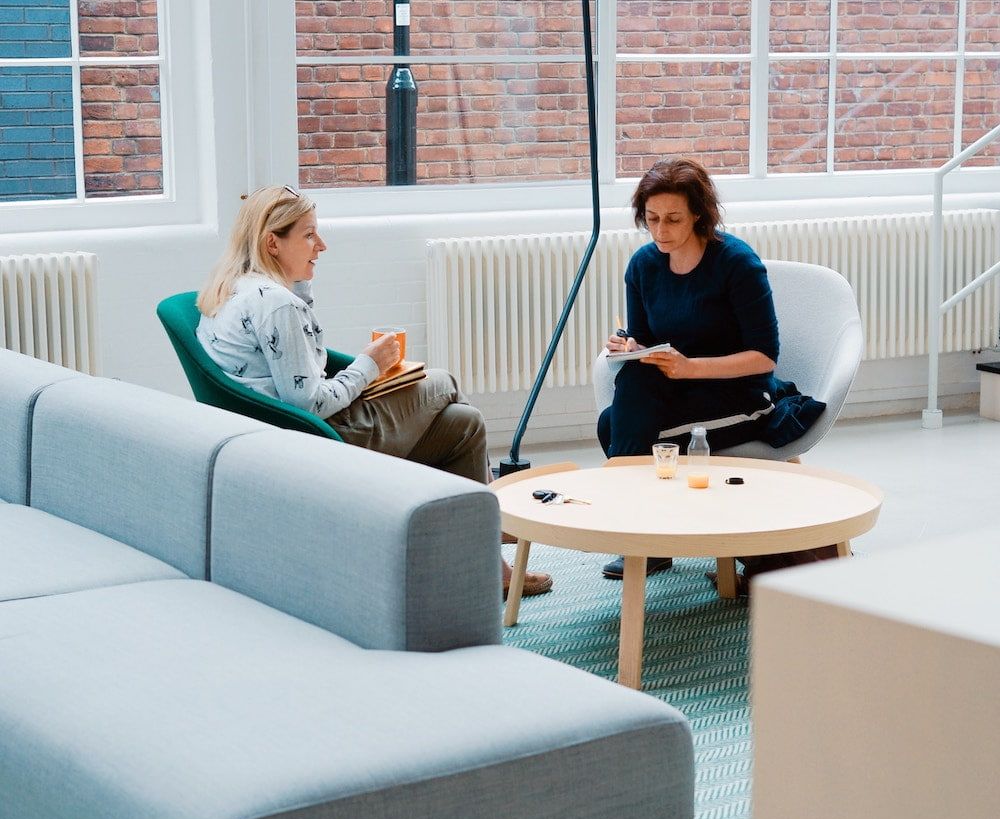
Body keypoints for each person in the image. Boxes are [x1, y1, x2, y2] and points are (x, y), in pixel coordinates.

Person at [196, 185, 552, 597]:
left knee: (465, 423)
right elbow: (307, 401)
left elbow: (297, 372)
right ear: (272, 242)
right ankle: (494, 526)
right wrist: (370, 365)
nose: (322, 245)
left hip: (285, 436)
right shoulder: (278, 305)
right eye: (309, 235)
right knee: (444, 381)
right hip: (323, 439)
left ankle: (486, 564)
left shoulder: (238, 289)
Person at [598, 157, 823, 581]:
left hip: (741, 394)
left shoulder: (736, 263)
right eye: (651, 219)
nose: (660, 230)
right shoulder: (644, 265)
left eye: (673, 219)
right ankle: (648, 535)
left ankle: (640, 533)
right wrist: (629, 346)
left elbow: (765, 356)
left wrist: (689, 368)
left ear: (698, 214)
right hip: (680, 389)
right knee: (619, 408)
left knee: (615, 427)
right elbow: (645, 341)